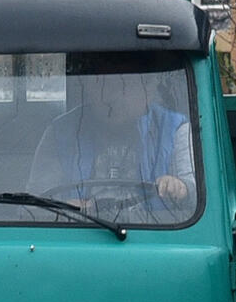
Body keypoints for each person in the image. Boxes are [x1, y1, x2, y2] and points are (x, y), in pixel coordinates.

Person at [28, 71, 196, 216]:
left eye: (125, 84)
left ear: (149, 89)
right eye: (102, 83)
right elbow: (34, 203)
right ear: (87, 87)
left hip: (156, 237)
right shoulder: (60, 132)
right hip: (78, 234)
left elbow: (199, 195)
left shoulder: (176, 129)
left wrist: (180, 187)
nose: (110, 96)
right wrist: (64, 207)